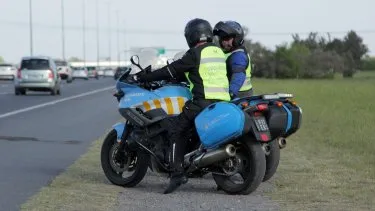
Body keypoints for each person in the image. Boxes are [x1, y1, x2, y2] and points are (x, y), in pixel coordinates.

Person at [135, 18, 231, 194]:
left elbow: (171, 69)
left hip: (202, 102)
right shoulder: (217, 52)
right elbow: (200, 73)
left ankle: (177, 174)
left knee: (176, 130)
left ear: (191, 36)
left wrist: (145, 77)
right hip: (223, 101)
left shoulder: (195, 53)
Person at [213, 21, 253, 99]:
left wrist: (230, 94)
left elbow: (239, 75)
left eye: (227, 38)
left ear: (237, 38)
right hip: (239, 95)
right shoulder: (229, 53)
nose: (224, 41)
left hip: (239, 96)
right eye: (222, 38)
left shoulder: (238, 55)